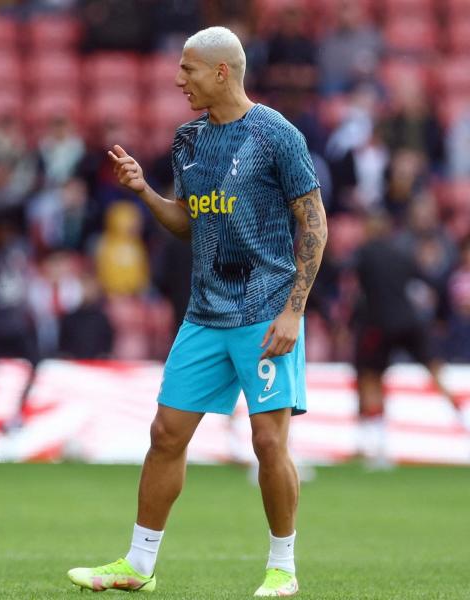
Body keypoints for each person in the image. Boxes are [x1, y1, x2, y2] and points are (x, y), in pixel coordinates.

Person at [67, 26, 327, 597]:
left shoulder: (277, 134)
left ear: (221, 72)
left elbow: (314, 222)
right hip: (205, 312)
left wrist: (294, 311)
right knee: (165, 433)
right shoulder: (187, 140)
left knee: (267, 442)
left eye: (187, 69)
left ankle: (282, 568)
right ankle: (138, 565)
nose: (177, 78)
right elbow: (189, 221)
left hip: (264, 309)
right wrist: (144, 193)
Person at [352, 211, 458, 468]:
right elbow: (431, 282)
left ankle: (375, 447)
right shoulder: (402, 254)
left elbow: (356, 290)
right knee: (433, 369)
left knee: (370, 378)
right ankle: (462, 414)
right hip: (410, 321)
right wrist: (443, 317)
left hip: (377, 323)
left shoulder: (364, 254)